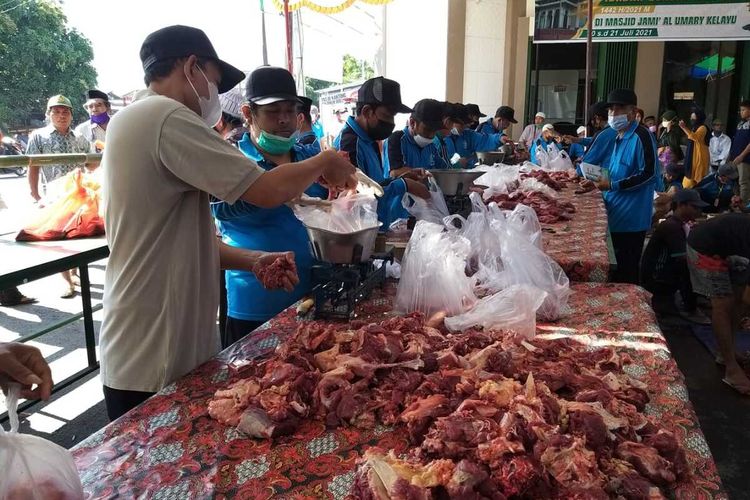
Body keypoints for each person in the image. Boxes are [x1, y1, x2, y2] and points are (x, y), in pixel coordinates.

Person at [99, 26, 357, 420]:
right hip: (156, 349)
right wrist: (325, 161)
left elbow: (178, 237)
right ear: (191, 67)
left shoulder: (136, 120)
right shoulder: (164, 115)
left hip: (150, 343)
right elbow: (266, 190)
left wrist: (253, 260)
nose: (215, 97)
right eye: (215, 83)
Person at [211, 67, 322, 348]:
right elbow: (218, 209)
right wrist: (271, 194)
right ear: (248, 114)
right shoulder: (231, 159)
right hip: (254, 299)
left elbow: (328, 202)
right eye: (273, 112)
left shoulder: (307, 157)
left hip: (308, 291)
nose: (284, 119)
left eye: (289, 110)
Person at [334, 76, 428, 228]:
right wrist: (403, 185)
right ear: (367, 112)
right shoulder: (351, 143)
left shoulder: (368, 140)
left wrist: (400, 179)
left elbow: (372, 184)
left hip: (374, 228)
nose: (391, 123)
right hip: (358, 233)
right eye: (387, 115)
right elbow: (357, 198)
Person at [26, 94, 94, 299]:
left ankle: (75, 273)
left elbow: (90, 165)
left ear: (71, 115)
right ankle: (65, 280)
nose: (61, 115)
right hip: (54, 196)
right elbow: (33, 166)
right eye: (56, 111)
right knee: (59, 238)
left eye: (66, 112)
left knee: (78, 236)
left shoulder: (80, 138)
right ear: (49, 114)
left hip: (79, 195)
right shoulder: (39, 136)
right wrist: (36, 195)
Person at [594, 89, 658, 284]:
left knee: (626, 273)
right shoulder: (618, 136)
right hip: (614, 214)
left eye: (619, 108)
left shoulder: (641, 136)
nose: (614, 113)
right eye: (611, 109)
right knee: (613, 270)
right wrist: (596, 180)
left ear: (633, 111)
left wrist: (612, 185)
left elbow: (648, 174)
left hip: (631, 220)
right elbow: (614, 170)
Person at [687, 213, 750, 394]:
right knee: (723, 303)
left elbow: (744, 300)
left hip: (733, 250)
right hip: (704, 247)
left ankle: (725, 353)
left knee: (738, 301)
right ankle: (731, 369)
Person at [641, 189, 709, 323]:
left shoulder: (678, 223)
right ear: (681, 205)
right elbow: (683, 259)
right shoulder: (671, 227)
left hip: (661, 274)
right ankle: (689, 307)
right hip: (657, 279)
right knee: (690, 267)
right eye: (694, 207)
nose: (698, 211)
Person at [383, 98, 445, 176]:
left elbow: (442, 169)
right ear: (412, 123)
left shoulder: (431, 146)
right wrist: (420, 173)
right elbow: (394, 173)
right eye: (427, 130)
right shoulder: (396, 140)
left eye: (435, 131)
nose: (431, 136)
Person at [445, 103, 501, 168]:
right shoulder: (440, 140)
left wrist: (499, 138)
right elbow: (439, 167)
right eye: (462, 124)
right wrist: (456, 165)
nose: (467, 126)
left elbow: (484, 140)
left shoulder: (467, 134)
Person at [679, 107, 710, 187]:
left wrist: (684, 128)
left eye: (693, 117)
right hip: (693, 156)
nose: (691, 119)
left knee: (697, 179)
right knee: (689, 179)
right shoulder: (695, 128)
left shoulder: (703, 128)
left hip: (699, 157)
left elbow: (695, 137)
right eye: (691, 117)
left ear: (699, 118)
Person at [729, 100, 750, 205]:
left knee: (743, 182)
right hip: (734, 157)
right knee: (733, 180)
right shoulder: (740, 123)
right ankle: (735, 203)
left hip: (745, 159)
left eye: (744, 110)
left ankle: (743, 205)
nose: (741, 112)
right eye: (740, 110)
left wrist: (742, 156)